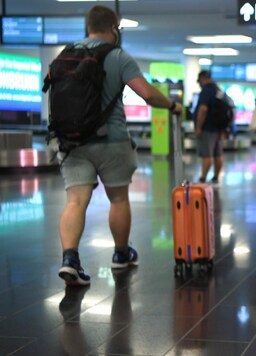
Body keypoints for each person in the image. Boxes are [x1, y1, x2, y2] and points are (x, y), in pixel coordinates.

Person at [56, 5, 183, 286]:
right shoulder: (117, 56)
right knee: (118, 198)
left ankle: (70, 259)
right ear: (114, 29)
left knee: (75, 201)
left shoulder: (66, 54)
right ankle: (121, 254)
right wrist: (172, 105)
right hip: (110, 141)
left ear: (88, 27)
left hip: (71, 141)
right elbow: (147, 94)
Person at [194, 70, 225, 184]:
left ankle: (203, 177)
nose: (199, 83)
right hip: (218, 128)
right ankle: (216, 177)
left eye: (199, 81)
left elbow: (203, 109)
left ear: (203, 78)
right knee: (218, 154)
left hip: (207, 128)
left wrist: (198, 127)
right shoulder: (218, 89)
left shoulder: (206, 91)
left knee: (207, 154)